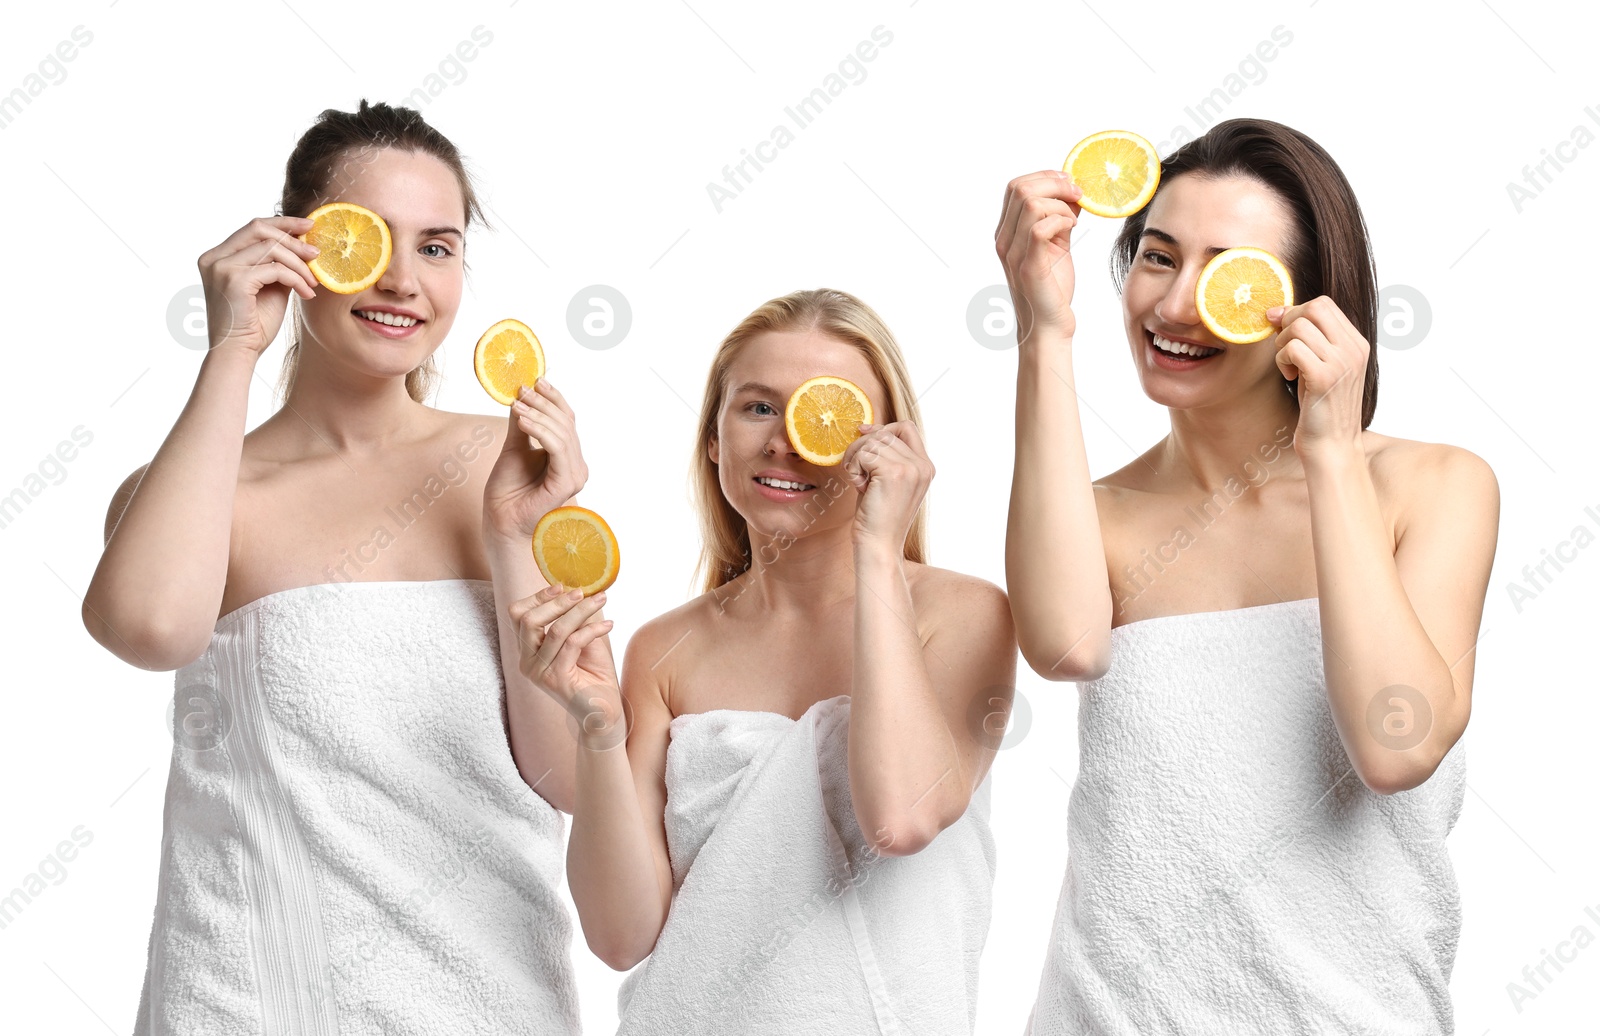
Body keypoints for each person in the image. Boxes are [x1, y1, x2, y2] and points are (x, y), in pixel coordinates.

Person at [82, 99, 583, 1034]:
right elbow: (147, 627)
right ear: (294, 247)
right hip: (248, 1000)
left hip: (485, 999)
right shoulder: (200, 492)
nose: (402, 279)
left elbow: (571, 777)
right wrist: (234, 346)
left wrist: (515, 539)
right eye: (367, 238)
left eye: (437, 247)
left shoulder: (507, 470)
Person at [999, 117, 1499, 1034]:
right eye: (1156, 257)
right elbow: (1062, 645)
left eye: (1226, 272)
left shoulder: (1431, 487)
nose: (1176, 304)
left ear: (1312, 310)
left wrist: (1332, 455)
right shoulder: (1103, 514)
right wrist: (1043, 329)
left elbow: (1397, 747)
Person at [510, 288, 1016, 1034]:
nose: (786, 440)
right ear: (713, 438)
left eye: (829, 414)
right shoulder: (661, 651)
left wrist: (879, 548)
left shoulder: (965, 615)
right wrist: (597, 732)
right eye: (756, 408)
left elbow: (902, 818)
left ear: (889, 450)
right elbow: (621, 938)